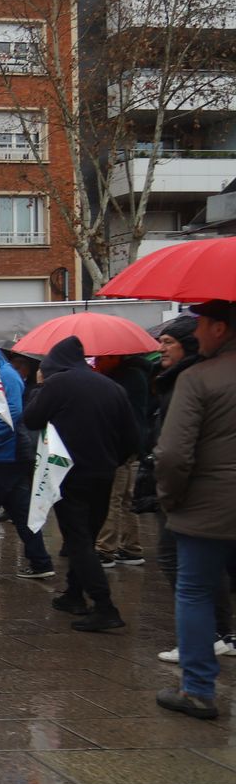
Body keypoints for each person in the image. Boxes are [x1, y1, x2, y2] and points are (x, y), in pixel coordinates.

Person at [21, 334, 137, 632]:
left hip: (69, 474)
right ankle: (73, 595)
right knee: (86, 536)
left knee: (78, 540)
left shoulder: (57, 384)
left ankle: (104, 606)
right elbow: (133, 438)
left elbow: (31, 419)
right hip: (104, 473)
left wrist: (38, 386)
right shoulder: (113, 387)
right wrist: (112, 460)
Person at [155, 301, 236, 719]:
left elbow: (172, 454)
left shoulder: (199, 378)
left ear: (220, 328)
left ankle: (199, 689)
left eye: (202, 324)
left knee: (195, 592)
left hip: (206, 510)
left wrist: (170, 498)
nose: (197, 333)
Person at [0, 345, 53, 584]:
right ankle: (40, 561)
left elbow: (12, 412)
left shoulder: (5, 376)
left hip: (2, 456)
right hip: (7, 455)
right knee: (21, 512)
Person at [93, 352, 154, 567]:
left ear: (116, 357)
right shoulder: (135, 375)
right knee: (127, 499)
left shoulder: (126, 379)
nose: (97, 362)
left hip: (120, 446)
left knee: (113, 498)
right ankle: (131, 547)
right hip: (132, 444)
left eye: (102, 359)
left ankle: (105, 549)